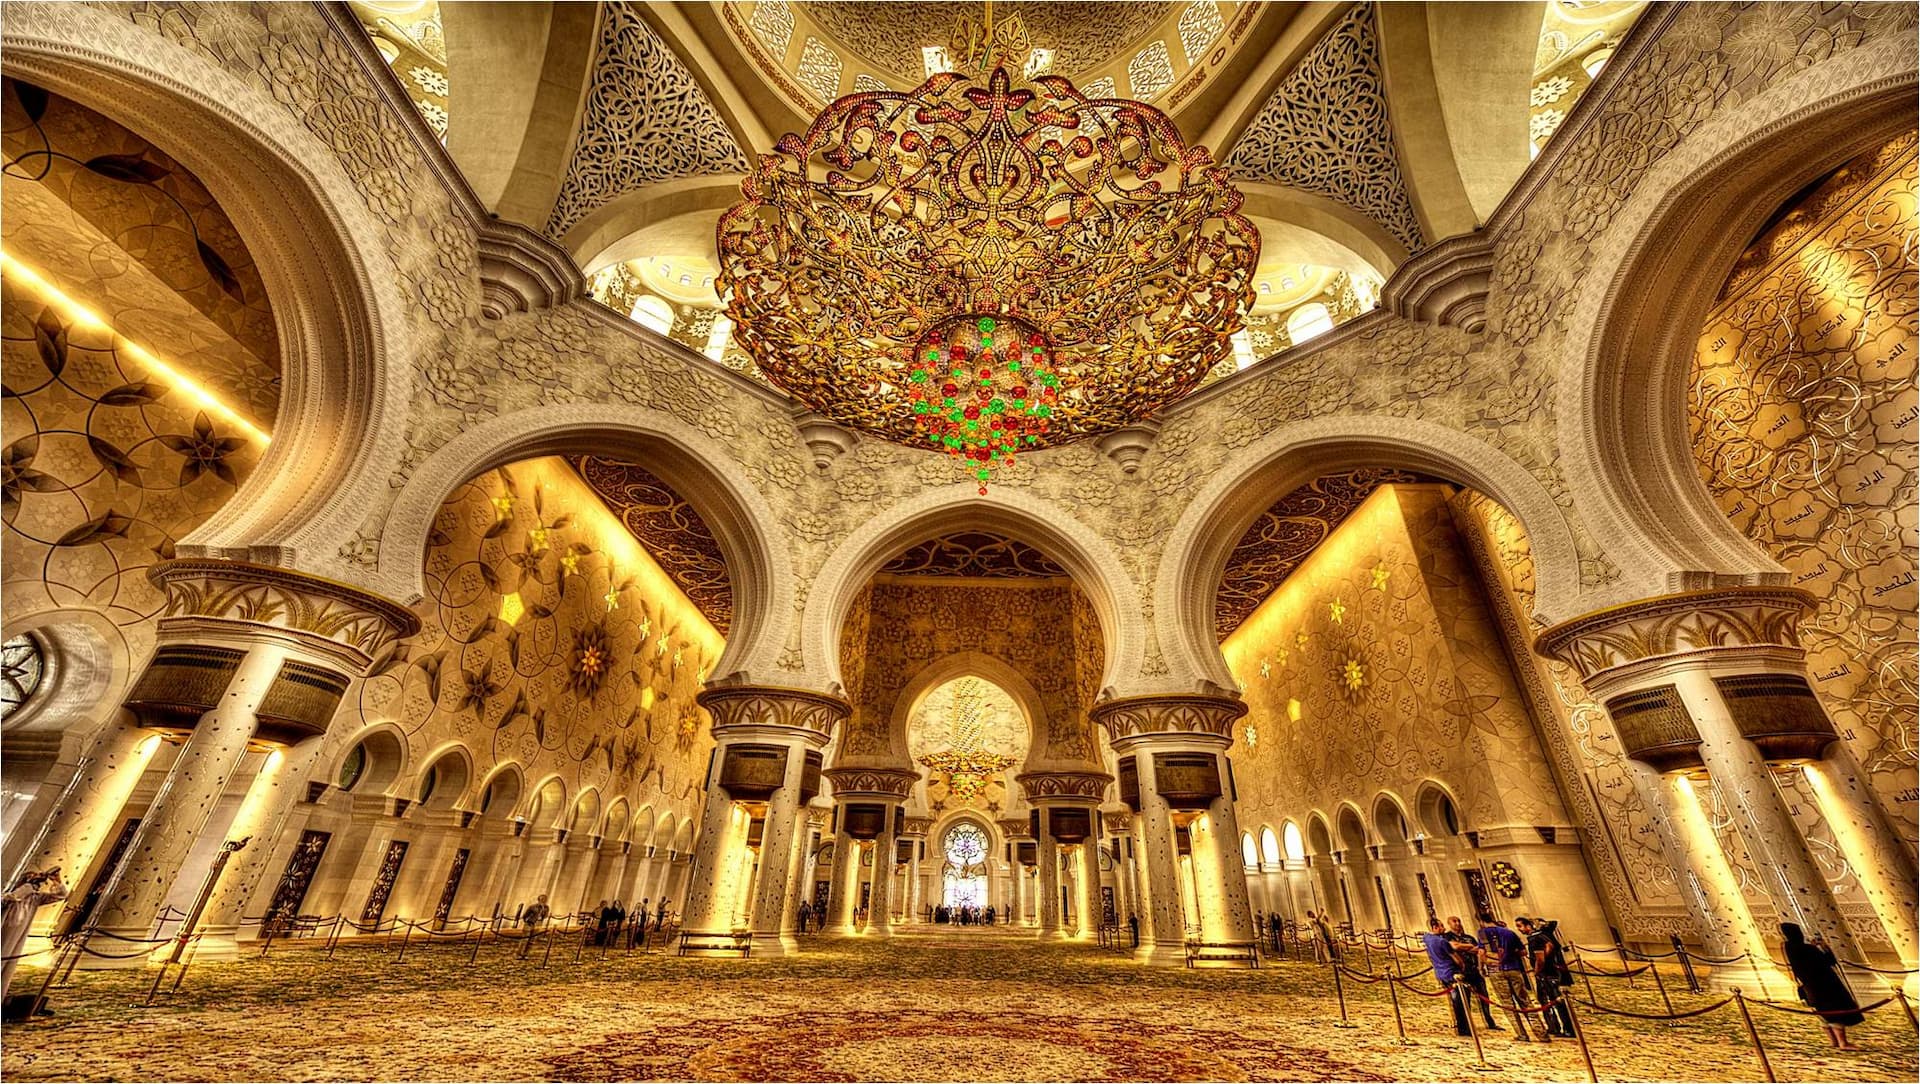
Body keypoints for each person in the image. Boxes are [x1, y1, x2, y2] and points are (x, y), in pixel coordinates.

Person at [1781, 922, 1863, 1049]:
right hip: (1825, 985)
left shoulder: (1789, 948)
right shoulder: (1808, 949)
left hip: (1809, 987)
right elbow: (1829, 961)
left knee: (1822, 1014)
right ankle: (1843, 1043)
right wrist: (1824, 947)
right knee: (1835, 1012)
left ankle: (1833, 1041)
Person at [1478, 914, 1548, 1042]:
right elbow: (1523, 952)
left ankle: (1522, 1034)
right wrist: (1510, 953)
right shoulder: (1509, 933)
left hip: (1495, 971)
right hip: (1513, 968)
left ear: (1481, 921)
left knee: (1508, 1004)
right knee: (1525, 1002)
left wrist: (1481, 967)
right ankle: (1541, 1033)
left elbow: (1481, 953)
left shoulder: (1482, 933)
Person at [1, 868, 66, 1002]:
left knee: (8, 967)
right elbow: (13, 897)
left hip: (18, 936)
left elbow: (60, 895)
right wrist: (28, 887)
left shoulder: (35, 898)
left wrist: (57, 881)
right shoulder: (9, 896)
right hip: (3, 933)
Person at [1517, 916, 1574, 1038]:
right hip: (1552, 971)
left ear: (1528, 926)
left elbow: (1541, 957)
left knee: (1551, 1001)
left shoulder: (1535, 939)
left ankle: (1562, 1028)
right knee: (1555, 1001)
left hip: (1545, 974)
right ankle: (1560, 1027)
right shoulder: (1542, 935)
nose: (1519, 929)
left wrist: (1538, 969)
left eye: (1520, 926)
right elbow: (1550, 945)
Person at [1445, 916, 1500, 1031]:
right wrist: (1469, 948)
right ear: (1449, 924)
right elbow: (1453, 947)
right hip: (1461, 972)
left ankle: (1490, 1022)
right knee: (1464, 999)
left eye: (1458, 921)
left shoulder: (1469, 937)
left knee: (1484, 996)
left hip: (1474, 970)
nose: (1457, 923)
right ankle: (1466, 1024)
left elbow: (1479, 950)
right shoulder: (1447, 936)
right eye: (1454, 921)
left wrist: (1480, 966)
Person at [1422, 919, 1471, 1036]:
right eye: (1441, 926)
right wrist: (1463, 966)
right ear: (1435, 927)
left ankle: (1461, 1026)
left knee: (1455, 1002)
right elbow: (1456, 959)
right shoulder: (1442, 942)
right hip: (1452, 973)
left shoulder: (1427, 938)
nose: (1444, 928)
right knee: (1461, 1002)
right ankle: (1464, 1028)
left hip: (1440, 973)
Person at [518, 894, 551, 958]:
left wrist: (543, 911)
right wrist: (527, 921)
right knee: (525, 940)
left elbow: (545, 916)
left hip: (537, 924)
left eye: (544, 900)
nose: (543, 901)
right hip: (529, 923)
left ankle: (526, 954)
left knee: (532, 940)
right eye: (542, 899)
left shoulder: (546, 908)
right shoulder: (532, 907)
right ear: (539, 900)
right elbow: (525, 915)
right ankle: (519, 954)